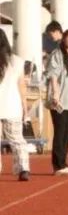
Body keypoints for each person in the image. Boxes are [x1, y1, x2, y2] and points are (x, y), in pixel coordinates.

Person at [45, 29, 68, 176]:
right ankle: (58, 164)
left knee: (67, 132)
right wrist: (55, 94)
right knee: (60, 131)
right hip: (59, 99)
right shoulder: (57, 54)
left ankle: (63, 162)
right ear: (64, 38)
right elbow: (53, 76)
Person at [0, 30, 31, 182]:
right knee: (17, 139)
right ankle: (23, 168)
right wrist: (25, 107)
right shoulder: (17, 61)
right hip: (12, 105)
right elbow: (21, 86)